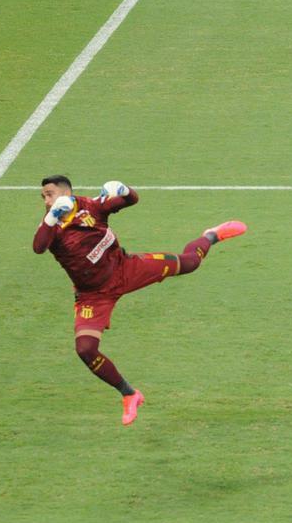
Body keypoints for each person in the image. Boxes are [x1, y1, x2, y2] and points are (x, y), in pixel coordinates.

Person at [32, 174, 246, 425]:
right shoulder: (51, 228)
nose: (46, 200)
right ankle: (129, 394)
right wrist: (52, 217)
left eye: (49, 194)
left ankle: (211, 236)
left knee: (190, 263)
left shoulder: (90, 206)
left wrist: (124, 189)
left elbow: (131, 199)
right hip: (93, 295)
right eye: (43, 197)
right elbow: (38, 247)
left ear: (66, 192)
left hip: (125, 269)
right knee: (85, 349)